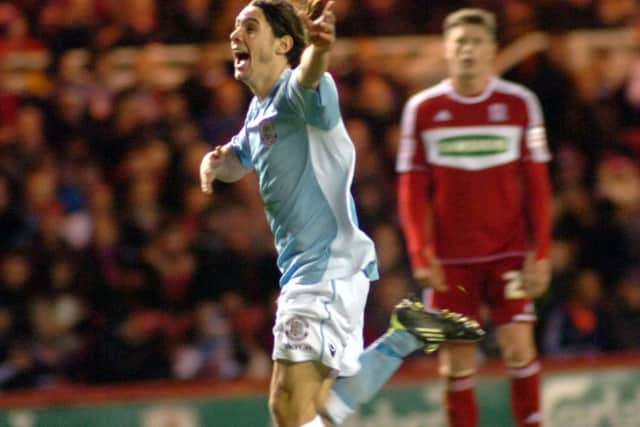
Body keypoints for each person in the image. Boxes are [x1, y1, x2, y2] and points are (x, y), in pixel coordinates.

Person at [199, 2, 484, 426]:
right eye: (236, 28)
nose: (235, 36)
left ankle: (404, 338)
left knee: (290, 408)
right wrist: (213, 164)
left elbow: (310, 73)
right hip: (310, 273)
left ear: (282, 44)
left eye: (249, 27)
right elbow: (238, 157)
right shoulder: (259, 113)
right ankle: (405, 337)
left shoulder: (301, 93)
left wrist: (319, 48)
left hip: (326, 269)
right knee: (314, 411)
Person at [396, 8, 552, 427]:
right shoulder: (423, 109)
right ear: (447, 50)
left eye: (477, 42)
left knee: (520, 346)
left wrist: (541, 252)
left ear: (492, 50)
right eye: (460, 42)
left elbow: (537, 185)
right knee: (456, 361)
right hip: (450, 261)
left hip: (509, 253)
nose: (468, 50)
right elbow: (412, 190)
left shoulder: (520, 104)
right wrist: (419, 254)